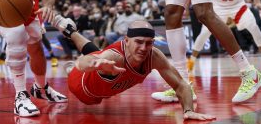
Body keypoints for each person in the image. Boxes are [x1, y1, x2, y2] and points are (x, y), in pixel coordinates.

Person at [51, 15, 215, 121]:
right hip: (81, 86)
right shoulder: (114, 57)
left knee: (96, 51)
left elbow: (181, 84)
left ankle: (69, 30)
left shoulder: (154, 56)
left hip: (102, 82)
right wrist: (92, 64)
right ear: (127, 40)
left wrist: (188, 110)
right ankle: (70, 67)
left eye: (149, 43)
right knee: (97, 56)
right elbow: (85, 62)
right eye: (139, 42)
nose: (144, 48)